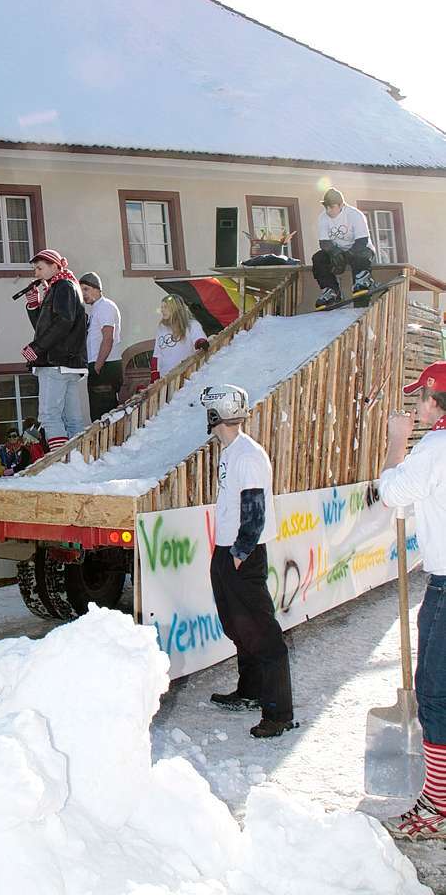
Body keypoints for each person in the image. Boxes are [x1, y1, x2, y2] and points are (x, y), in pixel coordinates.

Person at [200, 382, 295, 738]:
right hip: (229, 549)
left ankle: (278, 714)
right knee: (238, 626)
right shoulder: (232, 451)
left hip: (243, 552)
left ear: (215, 415)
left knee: (262, 633)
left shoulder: (247, 455)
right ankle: (251, 690)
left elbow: (254, 510)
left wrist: (240, 552)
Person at [378, 362, 446, 841]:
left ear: (434, 400)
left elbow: (390, 493)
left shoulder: (435, 448)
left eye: (420, 399)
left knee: (436, 694)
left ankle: (438, 806)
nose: (415, 407)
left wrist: (396, 441)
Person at [21, 248, 87, 452]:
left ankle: (60, 460)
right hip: (69, 364)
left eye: (40, 268)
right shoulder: (67, 286)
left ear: (55, 266)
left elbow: (62, 323)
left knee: (49, 415)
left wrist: (37, 348)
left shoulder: (61, 287)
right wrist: (35, 306)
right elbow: (49, 325)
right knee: (73, 419)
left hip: (55, 362)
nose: (36, 274)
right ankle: (77, 460)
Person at [313, 187, 376, 309]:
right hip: (338, 252)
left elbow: (362, 241)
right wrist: (335, 252)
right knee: (318, 258)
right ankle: (331, 291)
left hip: (360, 250)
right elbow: (324, 243)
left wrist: (347, 254)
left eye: (332, 207)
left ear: (341, 205)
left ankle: (362, 279)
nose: (328, 210)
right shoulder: (323, 218)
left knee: (361, 254)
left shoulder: (355, 215)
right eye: (326, 207)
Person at [79, 271, 123, 421]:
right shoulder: (96, 309)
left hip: (106, 365)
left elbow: (108, 338)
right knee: (98, 415)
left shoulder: (105, 307)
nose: (83, 294)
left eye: (86, 289)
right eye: (81, 290)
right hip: (100, 364)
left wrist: (98, 365)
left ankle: (111, 444)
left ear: (97, 289)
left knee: (104, 414)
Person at [151, 294, 208, 382]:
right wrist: (155, 374)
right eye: (161, 307)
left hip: (185, 375)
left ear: (175, 308)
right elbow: (157, 354)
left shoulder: (192, 325)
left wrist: (201, 342)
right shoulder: (161, 328)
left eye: (165, 307)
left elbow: (199, 338)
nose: (162, 310)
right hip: (165, 377)